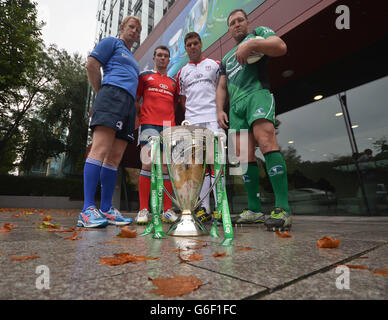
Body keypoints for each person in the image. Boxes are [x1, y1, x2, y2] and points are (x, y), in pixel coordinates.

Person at [216, 9, 291, 231]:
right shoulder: (226, 58)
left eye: (240, 20)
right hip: (236, 107)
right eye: (232, 23)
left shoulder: (258, 33)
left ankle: (283, 209)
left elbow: (281, 47)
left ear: (247, 22)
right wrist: (220, 109)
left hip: (257, 95)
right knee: (243, 157)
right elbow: (221, 86)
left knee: (267, 142)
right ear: (229, 29)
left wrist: (253, 44)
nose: (237, 24)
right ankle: (254, 210)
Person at [77, 16, 142, 228]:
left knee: (114, 158)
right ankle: (87, 209)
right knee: (100, 150)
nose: (134, 31)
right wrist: (101, 93)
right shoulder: (111, 42)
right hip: (111, 96)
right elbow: (92, 65)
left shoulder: (132, 57)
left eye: (138, 29)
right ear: (122, 27)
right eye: (131, 27)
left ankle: (106, 209)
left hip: (128, 104)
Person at [176, 32, 222, 223]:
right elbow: (183, 100)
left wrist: (219, 111)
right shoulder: (182, 72)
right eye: (189, 44)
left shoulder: (215, 65)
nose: (192, 47)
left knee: (216, 163)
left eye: (195, 43)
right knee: (197, 165)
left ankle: (221, 207)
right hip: (192, 122)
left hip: (213, 118)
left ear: (201, 44)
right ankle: (203, 208)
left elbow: (222, 89)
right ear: (185, 48)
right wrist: (193, 115)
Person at [134, 45, 179, 225]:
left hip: (168, 127)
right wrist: (142, 117)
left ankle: (167, 210)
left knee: (166, 167)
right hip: (148, 125)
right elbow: (135, 101)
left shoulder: (173, 82)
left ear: (169, 60)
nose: (162, 58)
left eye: (165, 56)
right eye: (159, 55)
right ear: (154, 58)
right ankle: (143, 210)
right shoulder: (144, 77)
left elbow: (174, 104)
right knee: (146, 164)